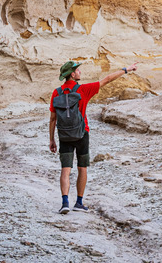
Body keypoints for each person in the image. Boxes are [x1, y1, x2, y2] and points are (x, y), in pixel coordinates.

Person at [49, 60, 138, 214]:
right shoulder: (84, 89)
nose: (80, 72)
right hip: (82, 133)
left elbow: (52, 118)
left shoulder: (56, 92)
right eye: (78, 70)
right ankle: (79, 202)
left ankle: (64, 202)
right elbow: (108, 79)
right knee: (82, 168)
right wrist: (126, 69)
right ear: (72, 74)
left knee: (65, 169)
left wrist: (51, 139)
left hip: (64, 135)